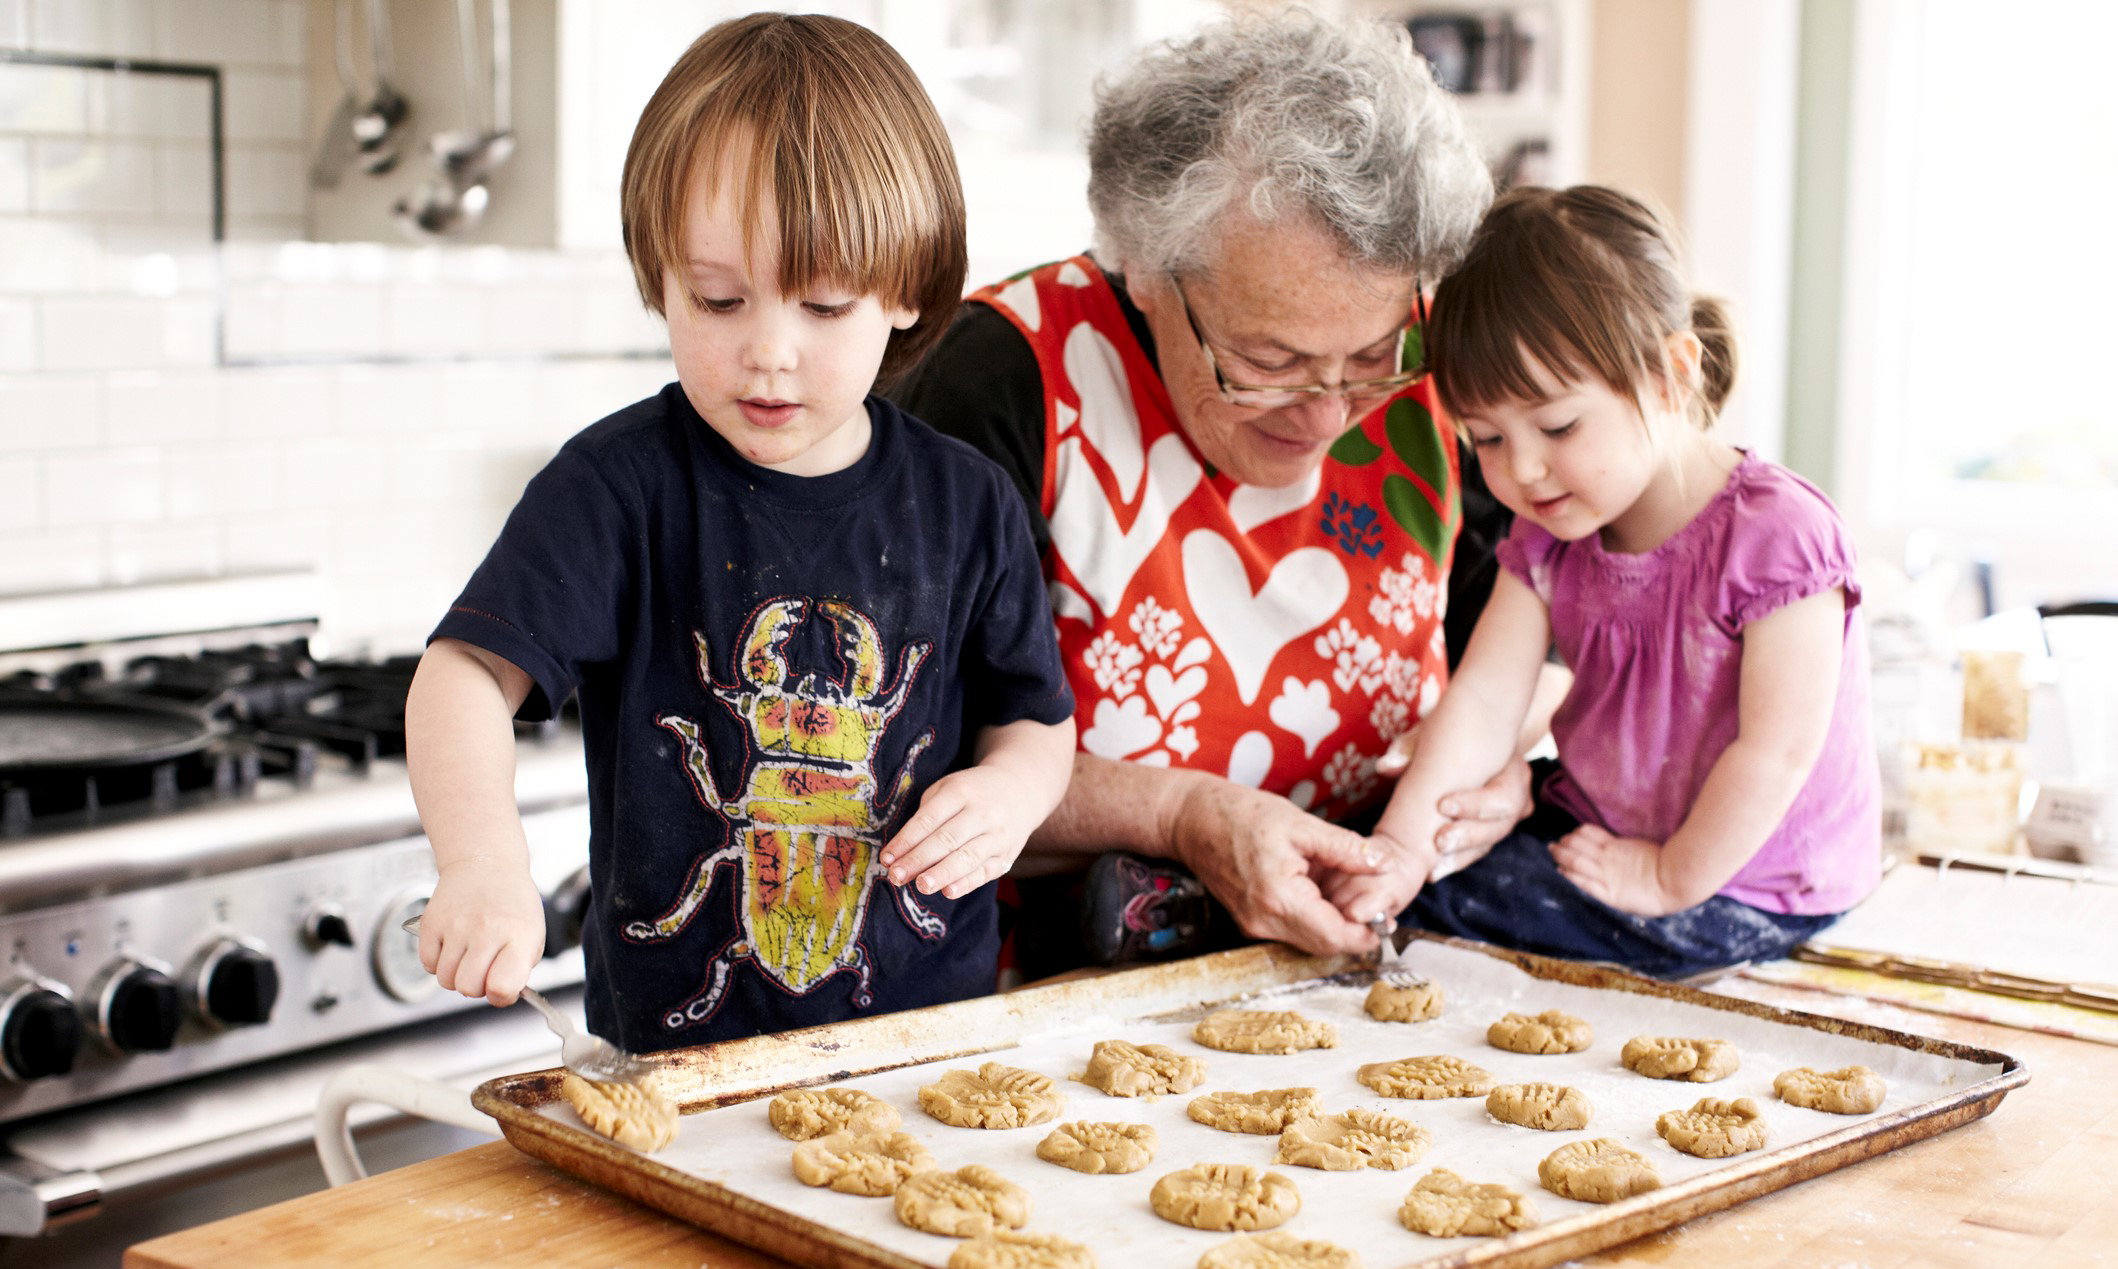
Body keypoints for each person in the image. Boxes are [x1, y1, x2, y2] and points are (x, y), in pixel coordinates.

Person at [403, 14, 1076, 1051]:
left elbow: (1034, 721)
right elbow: (462, 676)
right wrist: (483, 864)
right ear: (657, 279)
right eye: (717, 300)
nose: (767, 351)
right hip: (674, 1064)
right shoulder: (615, 489)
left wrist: (1011, 794)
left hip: (927, 1053)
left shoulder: (970, 503)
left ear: (902, 291)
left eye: (821, 303)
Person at [893, 11, 1541, 968]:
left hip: (1376, 961)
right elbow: (909, 758)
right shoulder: (1003, 380)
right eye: (1267, 362)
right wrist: (1187, 815)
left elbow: (1528, 637)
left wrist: (1507, 768)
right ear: (1146, 265)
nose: (1328, 413)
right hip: (1058, 989)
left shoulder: (1444, 365)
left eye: (1369, 357)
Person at [1328, 185, 1881, 976]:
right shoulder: (1553, 533)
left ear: (1669, 375)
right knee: (1402, 845)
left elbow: (1778, 753)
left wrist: (1666, 875)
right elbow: (1486, 698)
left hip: (1749, 878)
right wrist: (1402, 847)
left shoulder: (1778, 535)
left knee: (1462, 909)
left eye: (1558, 426)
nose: (1521, 469)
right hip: (1606, 822)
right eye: (1485, 439)